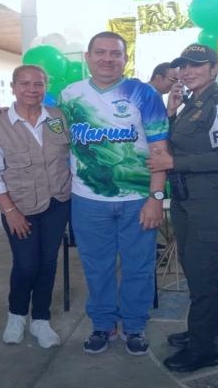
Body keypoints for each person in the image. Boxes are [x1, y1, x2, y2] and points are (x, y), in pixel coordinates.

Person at [59, 31, 169, 356]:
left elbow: (160, 150)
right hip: (88, 201)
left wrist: (156, 198)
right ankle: (103, 324)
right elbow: (44, 126)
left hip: (138, 200)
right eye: (100, 52)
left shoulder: (144, 93)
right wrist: (3, 113)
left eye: (115, 53)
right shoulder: (69, 95)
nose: (107, 59)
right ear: (88, 57)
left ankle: (134, 325)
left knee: (139, 266)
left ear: (125, 59)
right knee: (97, 267)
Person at [146, 44, 218, 372]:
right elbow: (177, 141)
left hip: (209, 203)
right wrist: (171, 112)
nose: (187, 71)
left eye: (196, 65)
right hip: (186, 200)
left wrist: (174, 163)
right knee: (198, 274)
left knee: (203, 279)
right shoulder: (191, 103)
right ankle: (210, 334)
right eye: (183, 66)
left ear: (214, 69)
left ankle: (204, 351)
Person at [0, 64, 71, 349]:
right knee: (26, 264)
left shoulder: (58, 117)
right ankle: (17, 314)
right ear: (13, 87)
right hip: (20, 207)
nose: (32, 89)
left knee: (48, 262)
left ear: (46, 87)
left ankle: (41, 319)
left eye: (38, 84)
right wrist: (10, 212)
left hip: (58, 202)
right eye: (24, 83)